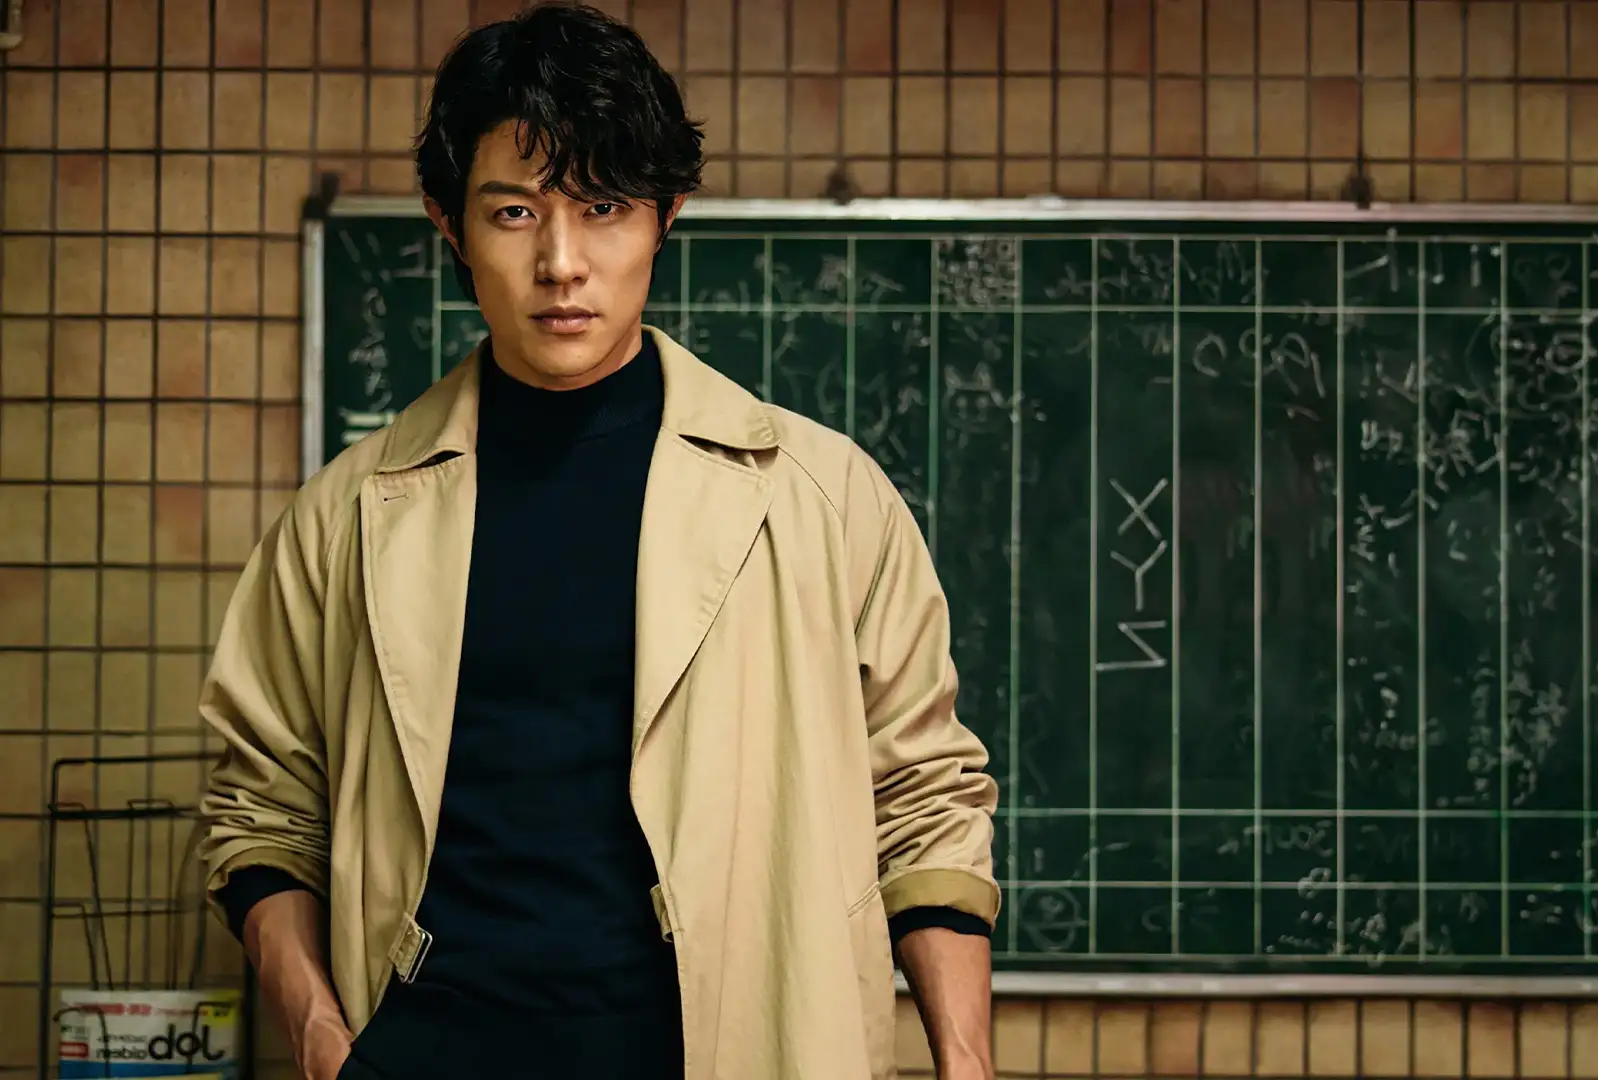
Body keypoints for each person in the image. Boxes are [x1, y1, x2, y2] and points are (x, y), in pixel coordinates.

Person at [195, 5, 998, 1078]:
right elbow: (261, 811)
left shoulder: (821, 497)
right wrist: (320, 1035)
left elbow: (925, 799)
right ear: (449, 225)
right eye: (514, 212)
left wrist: (966, 1060)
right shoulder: (342, 518)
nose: (562, 262)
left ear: (666, 217)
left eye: (605, 206)